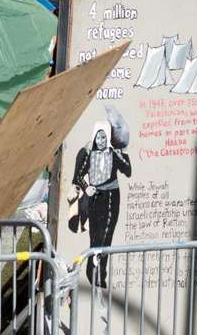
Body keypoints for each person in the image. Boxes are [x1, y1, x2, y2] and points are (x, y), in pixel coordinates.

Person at [72, 122, 131, 288]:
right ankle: (92, 275)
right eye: (98, 137)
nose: (101, 140)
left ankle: (101, 276)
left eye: (104, 137)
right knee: (95, 236)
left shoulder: (113, 154)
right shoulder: (90, 154)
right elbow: (77, 177)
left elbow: (128, 171)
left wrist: (121, 153)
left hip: (111, 196)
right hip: (95, 197)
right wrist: (86, 187)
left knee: (106, 236)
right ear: (94, 137)